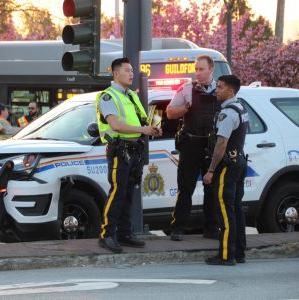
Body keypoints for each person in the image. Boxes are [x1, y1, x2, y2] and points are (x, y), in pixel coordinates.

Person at [96, 57, 162, 253]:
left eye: (132, 70)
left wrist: (152, 128)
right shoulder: (108, 97)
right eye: (127, 70)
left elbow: (143, 120)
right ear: (116, 74)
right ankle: (107, 235)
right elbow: (115, 125)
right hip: (120, 151)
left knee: (128, 194)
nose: (131, 73)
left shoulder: (131, 95)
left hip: (134, 151)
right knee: (117, 193)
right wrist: (143, 129)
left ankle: (125, 233)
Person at [166, 55, 220, 241]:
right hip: (191, 145)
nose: (198, 73)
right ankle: (178, 228)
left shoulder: (221, 90)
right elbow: (170, 113)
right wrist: (185, 108)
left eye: (201, 69)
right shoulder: (186, 89)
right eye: (196, 69)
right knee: (185, 188)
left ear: (211, 69)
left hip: (212, 146)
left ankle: (211, 228)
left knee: (211, 189)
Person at [203, 75, 248, 266]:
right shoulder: (241, 108)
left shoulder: (228, 113)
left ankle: (226, 255)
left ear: (230, 91)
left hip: (227, 167)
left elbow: (221, 144)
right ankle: (238, 252)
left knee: (225, 210)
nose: (216, 90)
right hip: (238, 162)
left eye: (220, 87)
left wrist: (211, 170)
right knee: (235, 208)